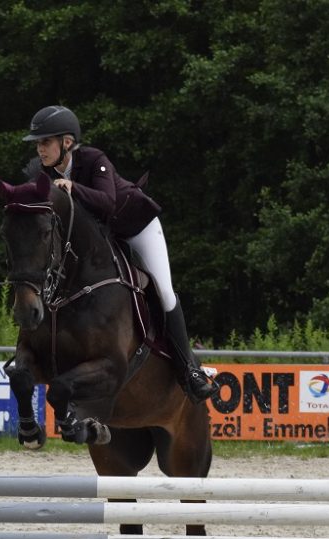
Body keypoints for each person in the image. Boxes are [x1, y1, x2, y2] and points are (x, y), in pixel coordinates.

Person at [21, 104, 218, 403]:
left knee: (163, 291)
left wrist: (73, 187)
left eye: (46, 142)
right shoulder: (43, 173)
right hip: (103, 237)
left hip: (137, 227)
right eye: (38, 143)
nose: (40, 148)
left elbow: (107, 203)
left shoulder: (93, 160)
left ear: (68, 143)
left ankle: (189, 370)